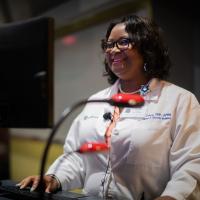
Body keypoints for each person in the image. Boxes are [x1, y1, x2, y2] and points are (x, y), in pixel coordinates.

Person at [18, 14, 200, 200]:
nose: (113, 50)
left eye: (123, 42)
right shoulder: (95, 101)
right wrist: (53, 178)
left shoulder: (180, 101)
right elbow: (77, 157)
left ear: (147, 48)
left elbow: (192, 164)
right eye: (109, 44)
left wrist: (172, 197)